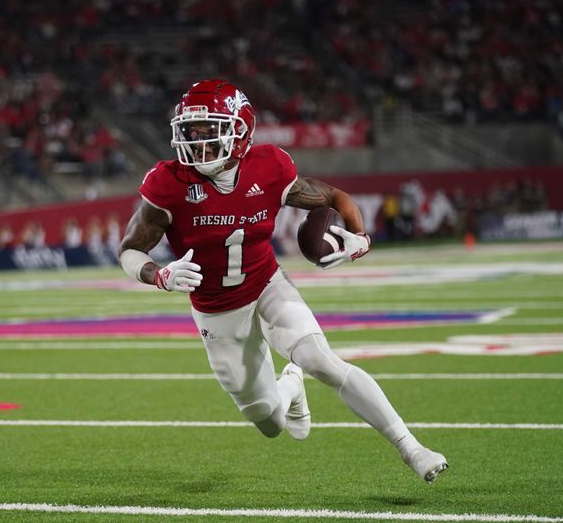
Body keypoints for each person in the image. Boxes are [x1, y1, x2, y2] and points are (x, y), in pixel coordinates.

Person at [118, 80, 448, 484]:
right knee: (270, 420)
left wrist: (360, 237)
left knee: (324, 363)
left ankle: (411, 447)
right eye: (191, 132)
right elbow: (130, 249)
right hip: (216, 311)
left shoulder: (270, 167)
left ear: (240, 131)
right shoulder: (168, 183)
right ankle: (291, 384)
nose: (197, 142)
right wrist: (159, 275)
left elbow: (334, 197)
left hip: (267, 285)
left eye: (209, 131)